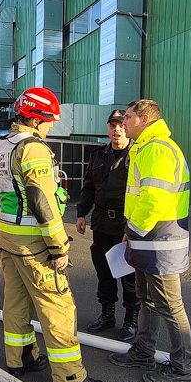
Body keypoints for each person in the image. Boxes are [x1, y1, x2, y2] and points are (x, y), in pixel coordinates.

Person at [0, 87, 105, 382]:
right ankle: (68, 377)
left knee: (16, 300)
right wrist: (59, 247)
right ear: (37, 117)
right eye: (50, 120)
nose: (52, 125)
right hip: (34, 244)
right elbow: (42, 202)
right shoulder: (35, 148)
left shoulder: (2, 146)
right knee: (58, 307)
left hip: (7, 237)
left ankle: (21, 359)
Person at [108, 99, 191, 382]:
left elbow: (155, 200)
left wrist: (132, 228)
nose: (123, 124)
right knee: (148, 300)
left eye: (128, 118)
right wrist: (131, 232)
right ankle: (144, 352)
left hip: (161, 242)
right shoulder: (147, 147)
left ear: (144, 119)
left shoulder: (157, 149)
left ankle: (182, 370)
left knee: (170, 306)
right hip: (149, 240)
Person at [76, 109, 139, 341]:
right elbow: (89, 187)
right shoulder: (97, 156)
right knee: (104, 270)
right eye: (112, 125)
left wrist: (134, 226)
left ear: (127, 127)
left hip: (126, 224)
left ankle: (131, 320)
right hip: (102, 222)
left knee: (129, 274)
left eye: (121, 124)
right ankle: (107, 314)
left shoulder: (138, 155)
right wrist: (82, 214)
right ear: (108, 129)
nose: (117, 129)